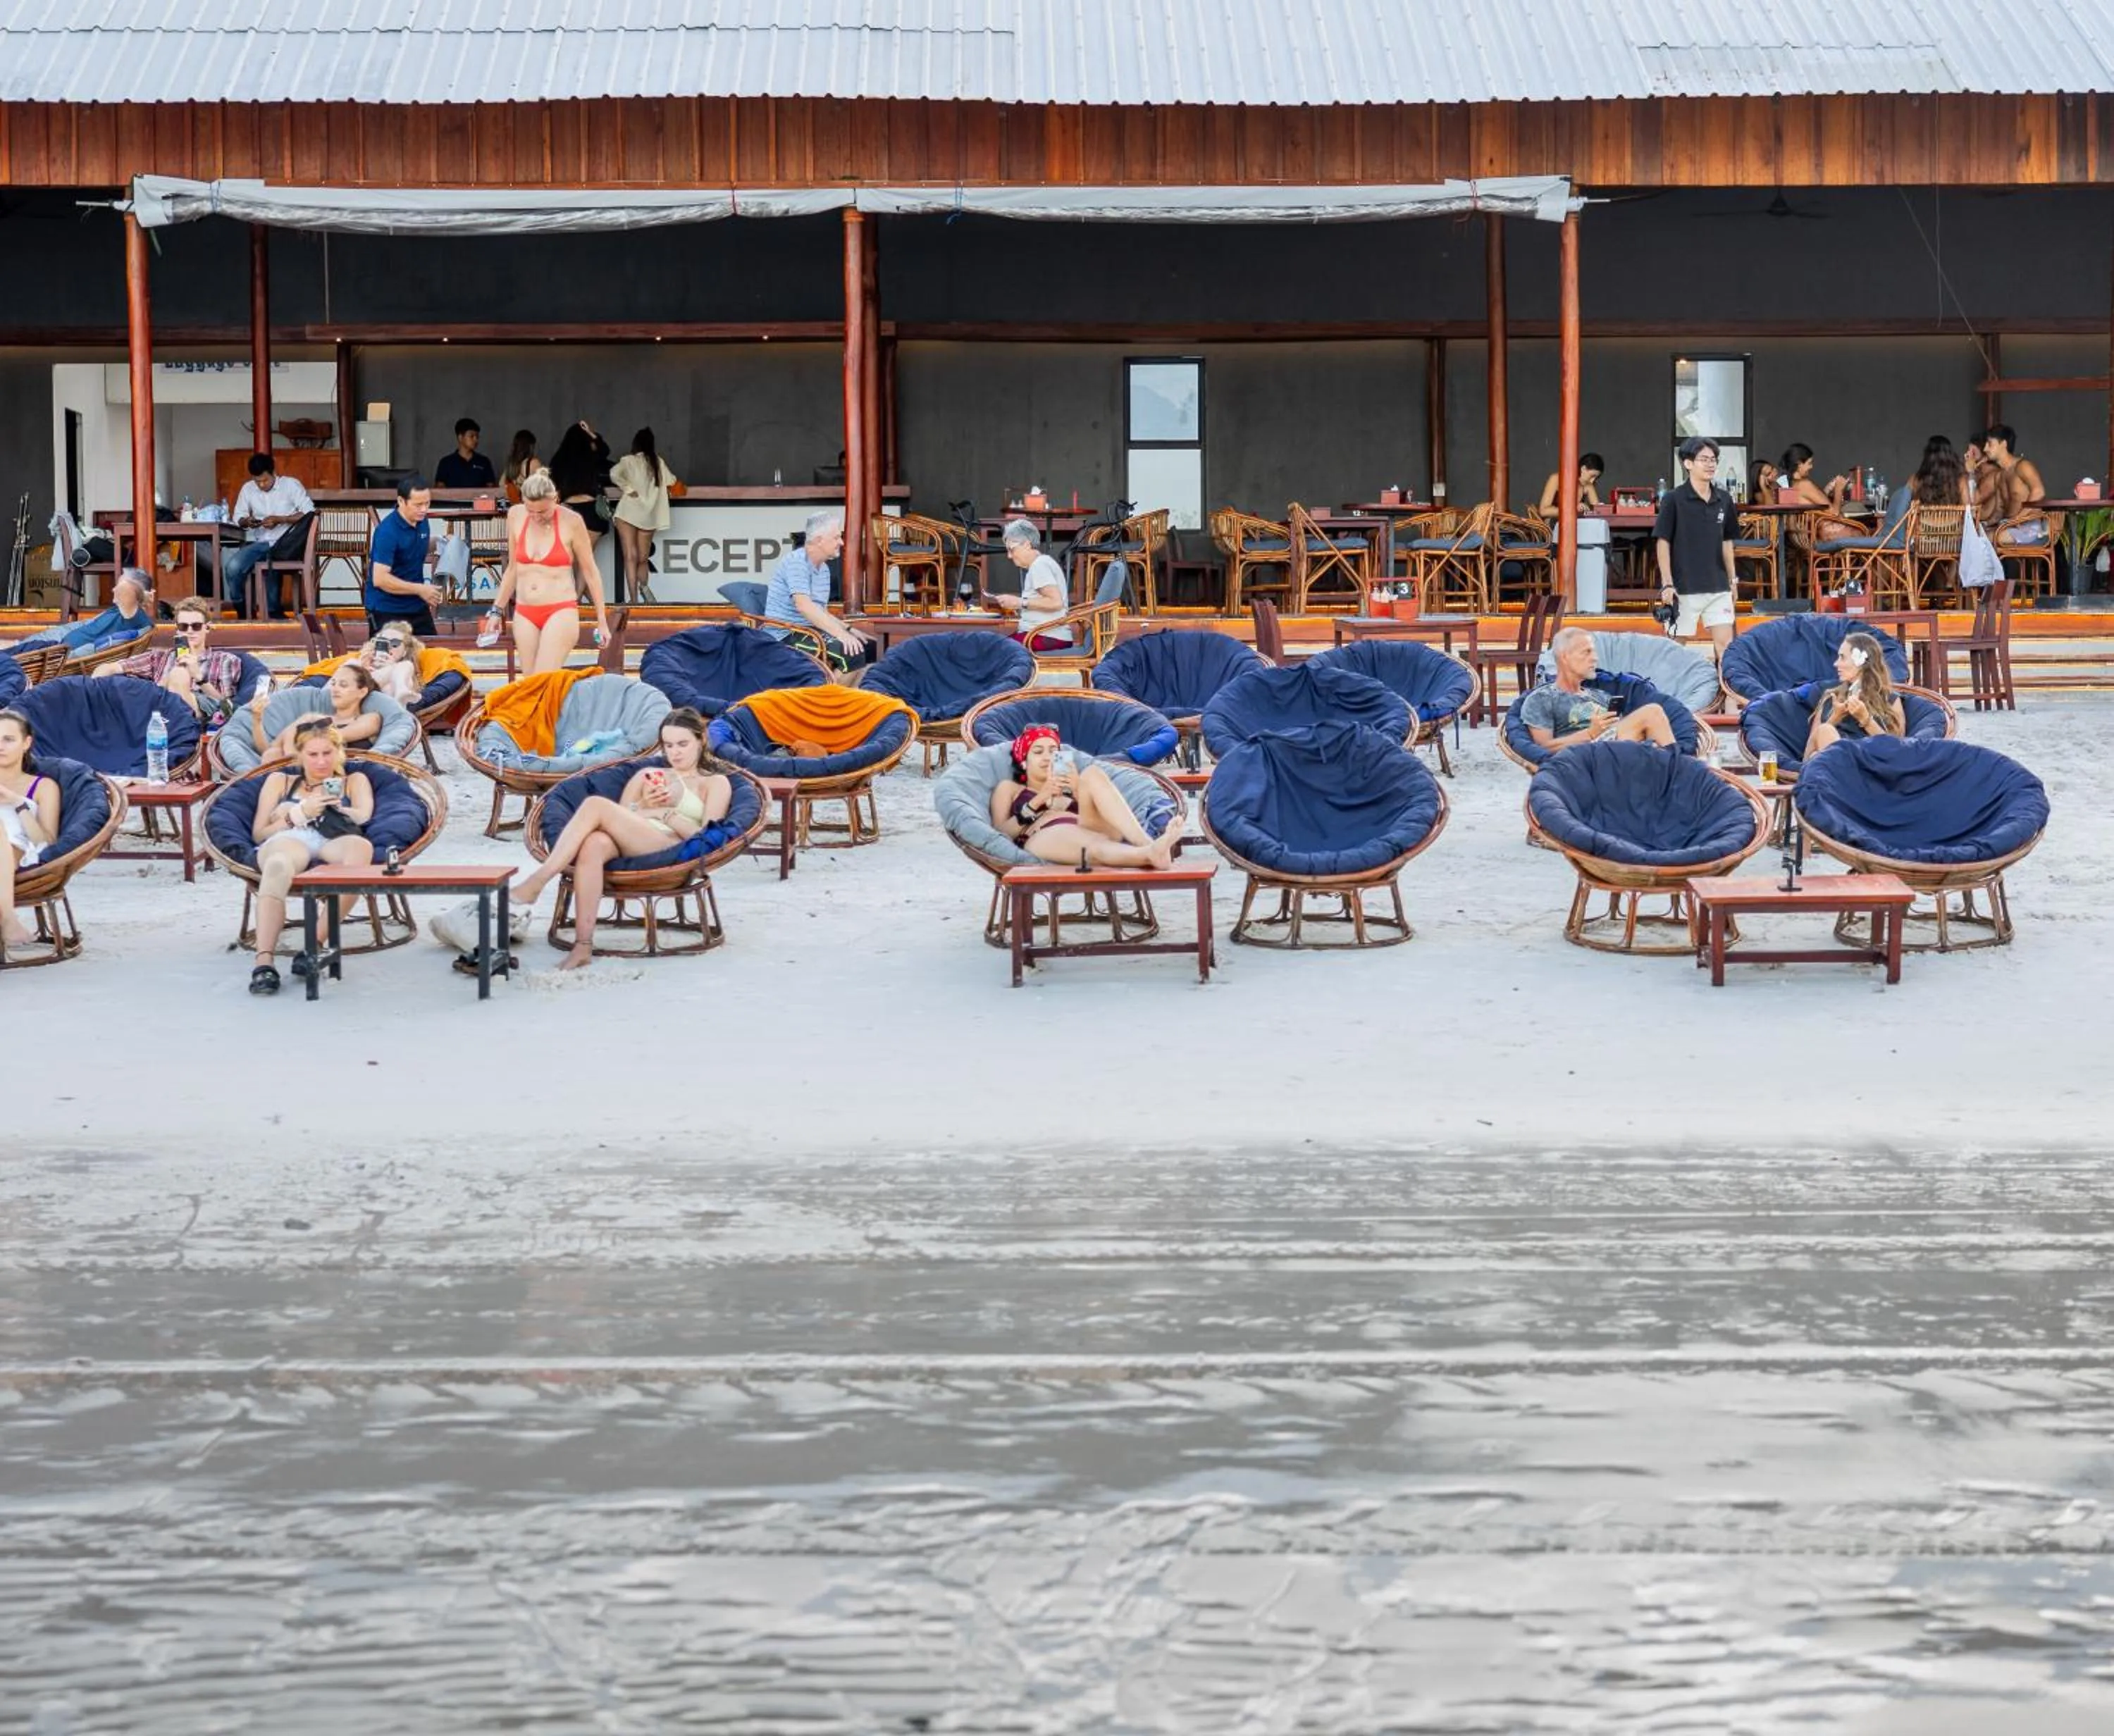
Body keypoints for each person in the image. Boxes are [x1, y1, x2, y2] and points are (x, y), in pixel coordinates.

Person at [507, 708, 733, 970]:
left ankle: (537, 882)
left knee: (595, 805)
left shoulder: (715, 783)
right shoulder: (645, 775)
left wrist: (667, 812)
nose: (675, 753)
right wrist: (646, 805)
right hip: (633, 840)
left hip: (671, 845)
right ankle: (583, 946)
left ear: (701, 740)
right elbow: (622, 817)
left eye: (683, 744)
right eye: (669, 745)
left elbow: (706, 837)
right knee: (594, 844)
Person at [246, 719, 375, 996]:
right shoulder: (280, 781)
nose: (320, 762)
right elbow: (260, 834)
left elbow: (364, 816)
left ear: (339, 752)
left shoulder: (354, 781)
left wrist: (336, 809)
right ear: (300, 756)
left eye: (327, 753)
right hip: (291, 839)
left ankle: (314, 944)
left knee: (361, 849)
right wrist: (298, 814)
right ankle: (264, 960)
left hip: (332, 838)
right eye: (313, 755)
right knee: (279, 865)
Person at [992, 725, 1176, 869]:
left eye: (1054, 752)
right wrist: (1040, 799)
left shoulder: (1069, 785)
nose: (1047, 757)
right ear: (1024, 761)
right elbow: (1000, 834)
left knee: (1092, 773)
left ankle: (1146, 843)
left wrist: (1076, 788)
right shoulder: (1009, 789)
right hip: (1045, 833)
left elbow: (1095, 814)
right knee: (1093, 845)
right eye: (1038, 752)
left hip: (1092, 826)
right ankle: (1148, 854)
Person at [485, 472, 608, 676]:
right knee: (530, 681)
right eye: (530, 510)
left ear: (555, 499)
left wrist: (601, 620)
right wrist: (496, 610)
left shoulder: (572, 521)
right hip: (525, 610)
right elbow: (513, 569)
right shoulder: (515, 515)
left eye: (542, 511)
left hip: (560, 609)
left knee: (543, 681)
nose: (536, 517)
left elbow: (590, 571)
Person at [97, 595, 252, 726]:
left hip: (200, 710)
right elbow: (109, 668)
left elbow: (228, 709)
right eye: (184, 626)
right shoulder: (159, 657)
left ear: (207, 628)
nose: (190, 631)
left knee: (179, 674)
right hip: (158, 709)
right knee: (111, 676)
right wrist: (94, 687)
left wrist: (199, 678)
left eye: (196, 626)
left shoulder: (225, 660)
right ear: (177, 629)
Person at [1521, 627, 1678, 751]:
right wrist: (1590, 733)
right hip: (1586, 756)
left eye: (1594, 652)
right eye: (1587, 652)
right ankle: (1683, 770)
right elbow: (1542, 749)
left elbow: (1627, 731)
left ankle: (1672, 768)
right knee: (1652, 712)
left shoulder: (1601, 696)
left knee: (1657, 748)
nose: (1595, 658)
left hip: (1619, 750)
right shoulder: (1542, 698)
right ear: (1565, 657)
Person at [1654, 437, 1742, 657]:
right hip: (1684, 587)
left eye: (1714, 460)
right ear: (1688, 463)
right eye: (1704, 459)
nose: (1711, 464)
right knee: (1673, 651)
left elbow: (1727, 541)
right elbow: (1663, 542)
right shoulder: (1674, 499)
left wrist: (1733, 580)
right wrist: (1667, 584)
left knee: (1727, 648)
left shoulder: (1724, 499)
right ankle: (1670, 690)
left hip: (1718, 586)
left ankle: (1727, 691)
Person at [763, 509, 871, 668]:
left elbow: (820, 611)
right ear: (819, 540)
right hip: (787, 634)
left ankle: (844, 692)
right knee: (852, 656)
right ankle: (827, 693)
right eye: (836, 537)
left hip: (809, 630)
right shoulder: (797, 562)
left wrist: (848, 629)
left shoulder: (824, 570)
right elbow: (804, 606)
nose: (841, 543)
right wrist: (841, 635)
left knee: (868, 649)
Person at [223, 452, 316, 619]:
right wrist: (248, 521)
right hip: (261, 543)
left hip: (287, 544)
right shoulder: (248, 489)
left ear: (274, 474)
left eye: (265, 480)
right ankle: (243, 610)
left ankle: (274, 613)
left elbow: (310, 513)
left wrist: (281, 519)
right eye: (257, 481)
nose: (261, 485)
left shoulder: (290, 485)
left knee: (270, 562)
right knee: (233, 568)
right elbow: (238, 517)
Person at [0, 707, 62, 957]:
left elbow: (46, 840)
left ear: (27, 743)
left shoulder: (43, 786)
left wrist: (17, 802)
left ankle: (8, 918)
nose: (0, 746)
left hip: (19, 848)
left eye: (9, 739)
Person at [247, 661, 383, 762]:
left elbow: (336, 737)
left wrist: (300, 733)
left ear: (362, 691)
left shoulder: (370, 718)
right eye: (333, 683)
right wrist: (257, 719)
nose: (335, 689)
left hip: (342, 776)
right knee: (272, 754)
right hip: (296, 778)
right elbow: (268, 750)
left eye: (343, 685)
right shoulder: (312, 719)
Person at [1802, 631, 1906, 760]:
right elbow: (1806, 757)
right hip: (1836, 765)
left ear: (1861, 661)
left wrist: (1866, 719)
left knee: (1821, 747)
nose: (1836, 664)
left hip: (1870, 763)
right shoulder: (1831, 697)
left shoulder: (1888, 698)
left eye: (1842, 657)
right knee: (1823, 735)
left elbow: (1897, 752)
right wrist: (1836, 717)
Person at [10, 568, 152, 655]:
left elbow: (130, 593)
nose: (114, 589)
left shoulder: (134, 617)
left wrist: (143, 594)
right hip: (56, 645)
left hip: (61, 654)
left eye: (120, 586)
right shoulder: (116, 611)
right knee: (13, 651)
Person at [366, 474, 442, 637]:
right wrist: (420, 589)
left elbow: (414, 547)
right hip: (387, 609)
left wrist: (440, 543)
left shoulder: (422, 520)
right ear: (401, 501)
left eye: (427, 503)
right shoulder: (387, 532)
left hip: (416, 606)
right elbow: (380, 579)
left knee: (432, 655)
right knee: (389, 658)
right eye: (418, 505)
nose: (424, 510)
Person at [612, 426, 679, 604]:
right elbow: (672, 481)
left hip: (627, 512)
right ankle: (644, 591)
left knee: (630, 557)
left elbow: (614, 474)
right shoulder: (658, 462)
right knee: (642, 559)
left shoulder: (629, 461)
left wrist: (629, 489)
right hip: (649, 516)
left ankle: (633, 599)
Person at [990, 519, 1073, 650]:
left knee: (994, 649)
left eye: (1012, 550)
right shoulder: (1042, 563)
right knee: (994, 646)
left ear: (1027, 545)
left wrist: (1020, 602)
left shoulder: (1039, 566)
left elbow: (1056, 603)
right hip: (1045, 635)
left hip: (1047, 636)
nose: (1009, 556)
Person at [547, 421, 614, 541]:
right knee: (587, 558)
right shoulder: (592, 458)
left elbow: (552, 486)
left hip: (567, 508)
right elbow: (605, 451)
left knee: (568, 557)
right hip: (590, 509)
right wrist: (592, 434)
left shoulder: (558, 460)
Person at [1973, 424, 2048, 531]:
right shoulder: (1999, 476)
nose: (1985, 449)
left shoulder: (2023, 466)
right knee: (1977, 537)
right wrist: (1984, 525)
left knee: (1987, 540)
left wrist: (2017, 519)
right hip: (2008, 526)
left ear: (2003, 444)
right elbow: (1999, 511)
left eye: (1989, 444)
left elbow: (2039, 492)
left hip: (2031, 527)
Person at [361, 625, 425, 707]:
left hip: (384, 709)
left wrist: (392, 669)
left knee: (405, 667)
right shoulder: (360, 661)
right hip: (362, 692)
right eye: (383, 643)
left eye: (395, 644)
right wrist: (363, 667)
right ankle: (402, 691)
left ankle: (401, 693)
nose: (389, 648)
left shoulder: (407, 674)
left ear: (405, 652)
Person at [1779, 443, 1849, 511]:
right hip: (1832, 522)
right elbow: (1834, 513)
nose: (1811, 467)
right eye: (1809, 463)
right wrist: (1839, 490)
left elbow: (1812, 505)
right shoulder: (1804, 485)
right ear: (1799, 464)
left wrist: (1826, 490)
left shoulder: (1792, 486)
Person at [434, 418, 496, 490]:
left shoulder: (484, 462)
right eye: (472, 436)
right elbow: (440, 490)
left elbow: (491, 489)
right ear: (460, 438)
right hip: (453, 501)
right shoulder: (446, 463)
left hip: (478, 501)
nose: (476, 440)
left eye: (477, 437)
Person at [1537, 452, 1605, 516]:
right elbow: (1543, 511)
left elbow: (1597, 513)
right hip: (1556, 522)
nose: (1592, 481)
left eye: (1596, 478)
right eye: (1592, 476)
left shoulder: (1588, 485)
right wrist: (1572, 509)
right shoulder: (1556, 479)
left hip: (1577, 524)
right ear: (1583, 469)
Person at [501, 430, 543, 503]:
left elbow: (501, 484)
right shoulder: (533, 463)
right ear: (530, 446)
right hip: (529, 508)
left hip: (514, 508)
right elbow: (544, 489)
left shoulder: (511, 465)